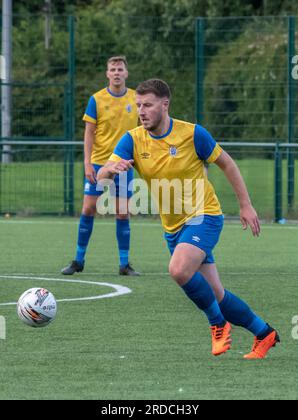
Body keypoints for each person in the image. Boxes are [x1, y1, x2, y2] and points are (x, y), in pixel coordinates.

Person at [97, 78, 280, 359]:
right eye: (138, 106)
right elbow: (101, 175)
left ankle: (218, 324)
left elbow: (227, 164)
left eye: (147, 105)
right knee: (217, 294)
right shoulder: (132, 139)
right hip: (173, 228)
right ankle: (264, 333)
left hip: (204, 216)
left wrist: (246, 204)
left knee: (179, 270)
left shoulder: (193, 134)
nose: (141, 111)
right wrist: (111, 169)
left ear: (165, 104)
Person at [62, 56, 140, 276]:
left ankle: (124, 264)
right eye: (112, 69)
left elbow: (143, 130)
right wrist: (87, 163)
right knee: (88, 209)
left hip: (123, 164)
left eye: (120, 69)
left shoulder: (136, 99)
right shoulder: (96, 99)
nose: (116, 73)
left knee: (122, 213)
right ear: (107, 73)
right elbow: (89, 132)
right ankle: (78, 260)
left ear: (126, 73)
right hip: (98, 163)